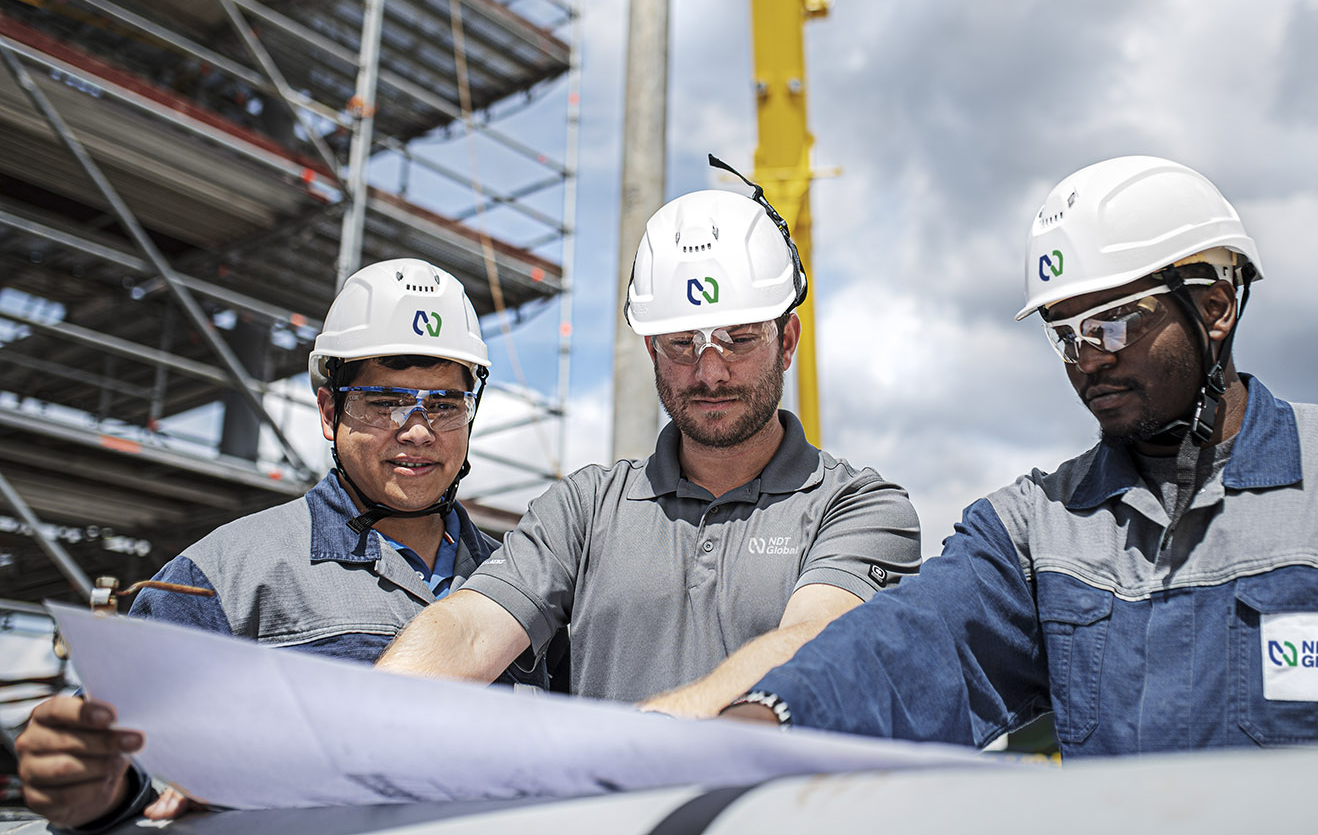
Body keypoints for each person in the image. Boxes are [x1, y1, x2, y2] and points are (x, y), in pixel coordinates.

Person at [725, 155, 1318, 754]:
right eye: (1064, 333)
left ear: (1216, 308)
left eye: (1113, 323)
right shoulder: (1036, 531)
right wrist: (763, 721)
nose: (1086, 359)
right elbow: (908, 648)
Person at [17, 258, 555, 827]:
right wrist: (97, 782)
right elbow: (129, 758)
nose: (419, 430)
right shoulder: (222, 577)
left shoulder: (526, 579)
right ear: (329, 411)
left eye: (444, 405)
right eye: (384, 402)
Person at [377, 176, 922, 717]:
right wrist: (362, 714)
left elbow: (813, 645)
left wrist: (644, 740)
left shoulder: (858, 509)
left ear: (787, 342)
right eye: (682, 344)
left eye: (738, 339)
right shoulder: (586, 508)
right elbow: (471, 631)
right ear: (651, 350)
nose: (710, 372)